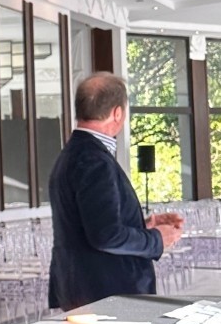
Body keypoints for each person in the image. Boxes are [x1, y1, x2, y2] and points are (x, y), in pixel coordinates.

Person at [48, 72, 183, 310]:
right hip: (108, 294)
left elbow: (90, 224)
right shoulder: (93, 160)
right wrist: (156, 239)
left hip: (84, 290)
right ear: (117, 113)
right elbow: (106, 236)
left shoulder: (72, 154)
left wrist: (143, 225)